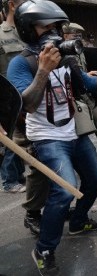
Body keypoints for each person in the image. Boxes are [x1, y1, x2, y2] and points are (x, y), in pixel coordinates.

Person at [7, 0, 97, 274]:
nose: (54, 33)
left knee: (94, 180)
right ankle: (43, 249)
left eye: (57, 27)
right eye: (47, 27)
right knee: (64, 190)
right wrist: (43, 70)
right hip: (46, 138)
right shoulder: (21, 64)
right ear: (29, 30)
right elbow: (26, 104)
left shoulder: (65, 61)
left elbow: (88, 85)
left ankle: (78, 222)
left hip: (73, 132)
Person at [0, 0, 26, 193]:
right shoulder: (0, 34)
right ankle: (9, 181)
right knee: (8, 136)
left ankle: (19, 174)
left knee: (24, 137)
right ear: (12, 5)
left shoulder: (27, 33)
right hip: (6, 96)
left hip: (27, 92)